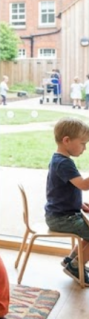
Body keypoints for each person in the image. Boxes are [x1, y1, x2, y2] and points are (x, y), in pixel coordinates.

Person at [44, 116, 89, 282]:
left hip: (61, 214)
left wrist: (79, 204)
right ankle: (75, 267)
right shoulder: (63, 163)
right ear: (67, 140)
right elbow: (83, 185)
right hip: (61, 218)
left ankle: (71, 261)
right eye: (83, 143)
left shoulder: (60, 160)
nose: (84, 148)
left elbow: (65, 189)